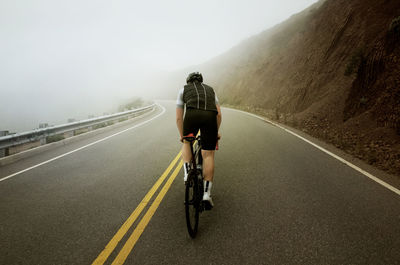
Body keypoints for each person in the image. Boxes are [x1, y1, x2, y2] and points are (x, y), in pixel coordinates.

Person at [176, 72, 222, 209]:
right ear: (201, 81)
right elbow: (219, 114)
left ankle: (186, 173)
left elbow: (179, 118)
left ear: (188, 81)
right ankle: (207, 194)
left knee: (187, 142)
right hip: (210, 118)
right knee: (208, 155)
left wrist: (182, 135)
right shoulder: (211, 91)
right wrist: (215, 132)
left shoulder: (183, 90)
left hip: (192, 115)